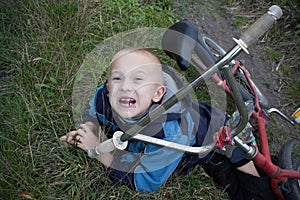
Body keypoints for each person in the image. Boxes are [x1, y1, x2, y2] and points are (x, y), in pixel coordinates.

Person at [60, 48, 276, 199]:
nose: (125, 87)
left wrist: (99, 152)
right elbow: (91, 112)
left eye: (138, 79)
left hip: (210, 134)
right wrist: (87, 131)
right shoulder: (104, 97)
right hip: (192, 114)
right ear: (107, 85)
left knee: (250, 186)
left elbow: (146, 182)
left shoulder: (170, 134)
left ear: (158, 94)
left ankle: (244, 144)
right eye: (117, 78)